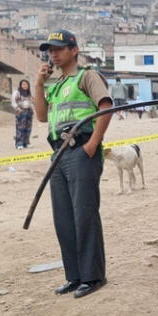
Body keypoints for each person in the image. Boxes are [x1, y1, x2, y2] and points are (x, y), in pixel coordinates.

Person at [33, 29, 113, 298]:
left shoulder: (86, 76)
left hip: (81, 150)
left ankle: (93, 277)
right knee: (64, 219)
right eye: (50, 50)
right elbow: (42, 117)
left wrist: (93, 145)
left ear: (74, 50)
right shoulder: (54, 85)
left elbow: (105, 106)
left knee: (84, 215)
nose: (53, 54)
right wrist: (38, 84)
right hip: (58, 154)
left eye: (58, 48)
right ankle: (74, 276)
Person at [11, 79, 35, 149]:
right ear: (20, 85)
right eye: (23, 84)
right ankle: (19, 144)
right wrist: (18, 109)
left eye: (26, 84)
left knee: (28, 128)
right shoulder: (17, 93)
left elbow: (32, 102)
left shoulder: (29, 93)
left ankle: (26, 143)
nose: (25, 86)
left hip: (29, 112)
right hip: (21, 112)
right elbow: (13, 102)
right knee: (20, 128)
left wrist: (32, 109)